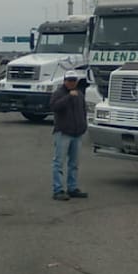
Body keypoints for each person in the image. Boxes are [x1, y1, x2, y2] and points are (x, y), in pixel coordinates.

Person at [50, 70, 89, 201]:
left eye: (74, 81)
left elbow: (83, 110)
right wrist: (68, 97)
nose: (72, 83)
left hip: (77, 133)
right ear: (64, 81)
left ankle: (72, 188)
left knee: (74, 163)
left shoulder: (80, 94)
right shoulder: (59, 93)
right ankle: (58, 190)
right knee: (58, 162)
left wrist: (84, 126)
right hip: (63, 132)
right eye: (69, 80)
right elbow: (54, 107)